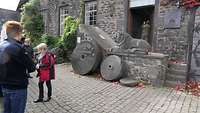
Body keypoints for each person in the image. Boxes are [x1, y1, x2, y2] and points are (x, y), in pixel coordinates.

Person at [0, 21, 35, 113]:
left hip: (4, 86)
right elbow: (31, 67)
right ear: (18, 32)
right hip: (17, 88)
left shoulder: (1, 45)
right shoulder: (18, 48)